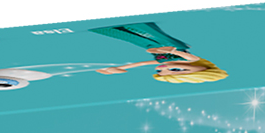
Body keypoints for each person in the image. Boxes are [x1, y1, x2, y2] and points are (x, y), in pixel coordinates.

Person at [90, 21, 228, 84]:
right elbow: (189, 57)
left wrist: (118, 68)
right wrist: (173, 51)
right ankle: (137, 25)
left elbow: (142, 63)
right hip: (170, 46)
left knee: (133, 39)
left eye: (160, 72)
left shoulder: (162, 61)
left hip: (152, 47)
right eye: (175, 70)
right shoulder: (189, 60)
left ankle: (108, 30)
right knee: (151, 34)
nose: (163, 68)